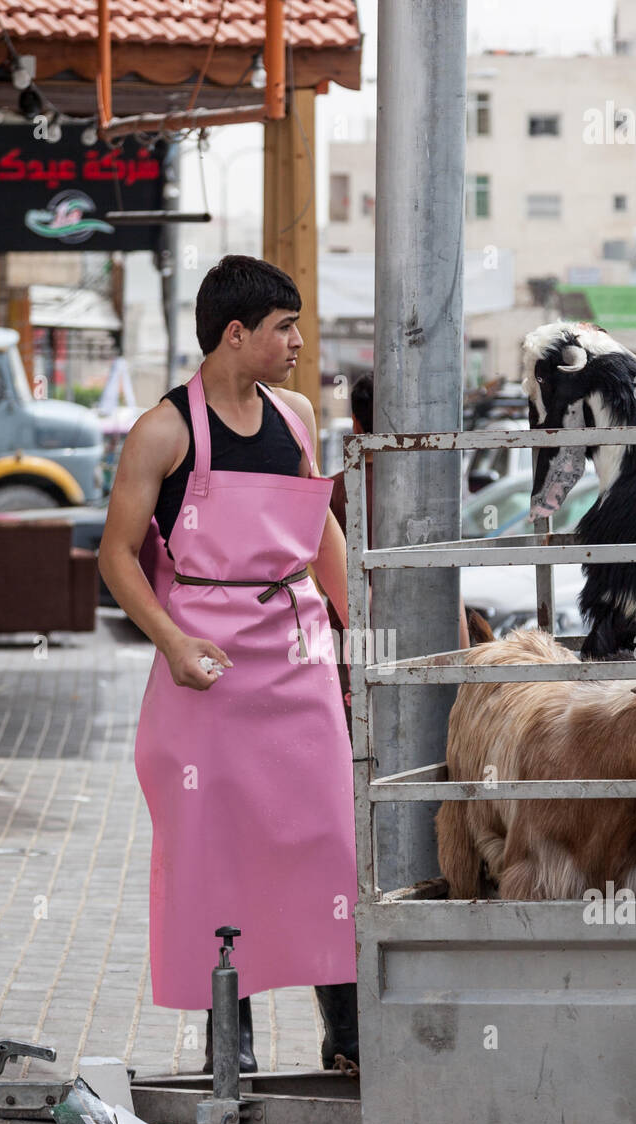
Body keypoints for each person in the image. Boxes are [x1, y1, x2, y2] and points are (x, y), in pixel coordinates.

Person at [98, 255, 359, 1074]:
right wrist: (172, 644)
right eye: (284, 327)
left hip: (295, 655)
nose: (297, 341)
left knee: (330, 842)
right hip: (203, 670)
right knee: (215, 850)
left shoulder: (297, 417)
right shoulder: (163, 431)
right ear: (236, 333)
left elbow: (321, 537)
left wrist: (363, 633)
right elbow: (116, 557)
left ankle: (347, 1035)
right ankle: (229, 1043)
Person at [327, 372, 471, 739]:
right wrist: (464, 656)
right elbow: (447, 579)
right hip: (425, 638)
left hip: (349, 646)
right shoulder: (433, 494)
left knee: (356, 752)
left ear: (357, 423)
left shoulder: (335, 492)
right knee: (422, 745)